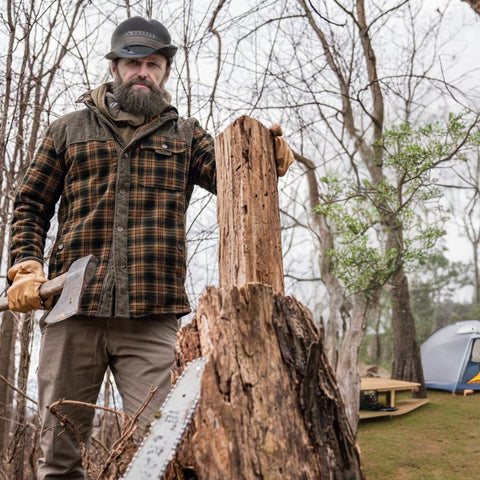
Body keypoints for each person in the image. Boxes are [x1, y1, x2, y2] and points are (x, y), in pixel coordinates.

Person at [7, 16, 293, 480]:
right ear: (115, 66)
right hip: (71, 312)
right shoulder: (67, 130)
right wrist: (25, 267)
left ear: (164, 71)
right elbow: (31, 204)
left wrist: (263, 154)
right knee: (58, 456)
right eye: (133, 63)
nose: (143, 72)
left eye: (153, 64)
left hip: (150, 316)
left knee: (164, 448)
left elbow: (234, 178)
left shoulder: (185, 136)